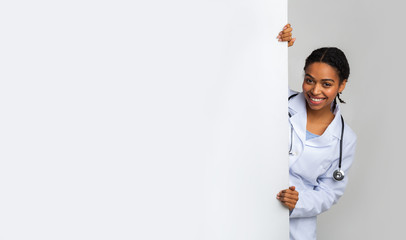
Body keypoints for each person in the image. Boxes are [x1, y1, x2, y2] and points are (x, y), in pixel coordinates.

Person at [276, 24, 357, 240]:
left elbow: (330, 193)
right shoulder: (277, 99)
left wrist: (298, 201)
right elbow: (252, 76)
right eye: (309, 80)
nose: (315, 90)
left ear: (342, 85)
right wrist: (275, 46)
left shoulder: (345, 139)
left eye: (327, 84)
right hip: (250, 205)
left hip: (297, 228)